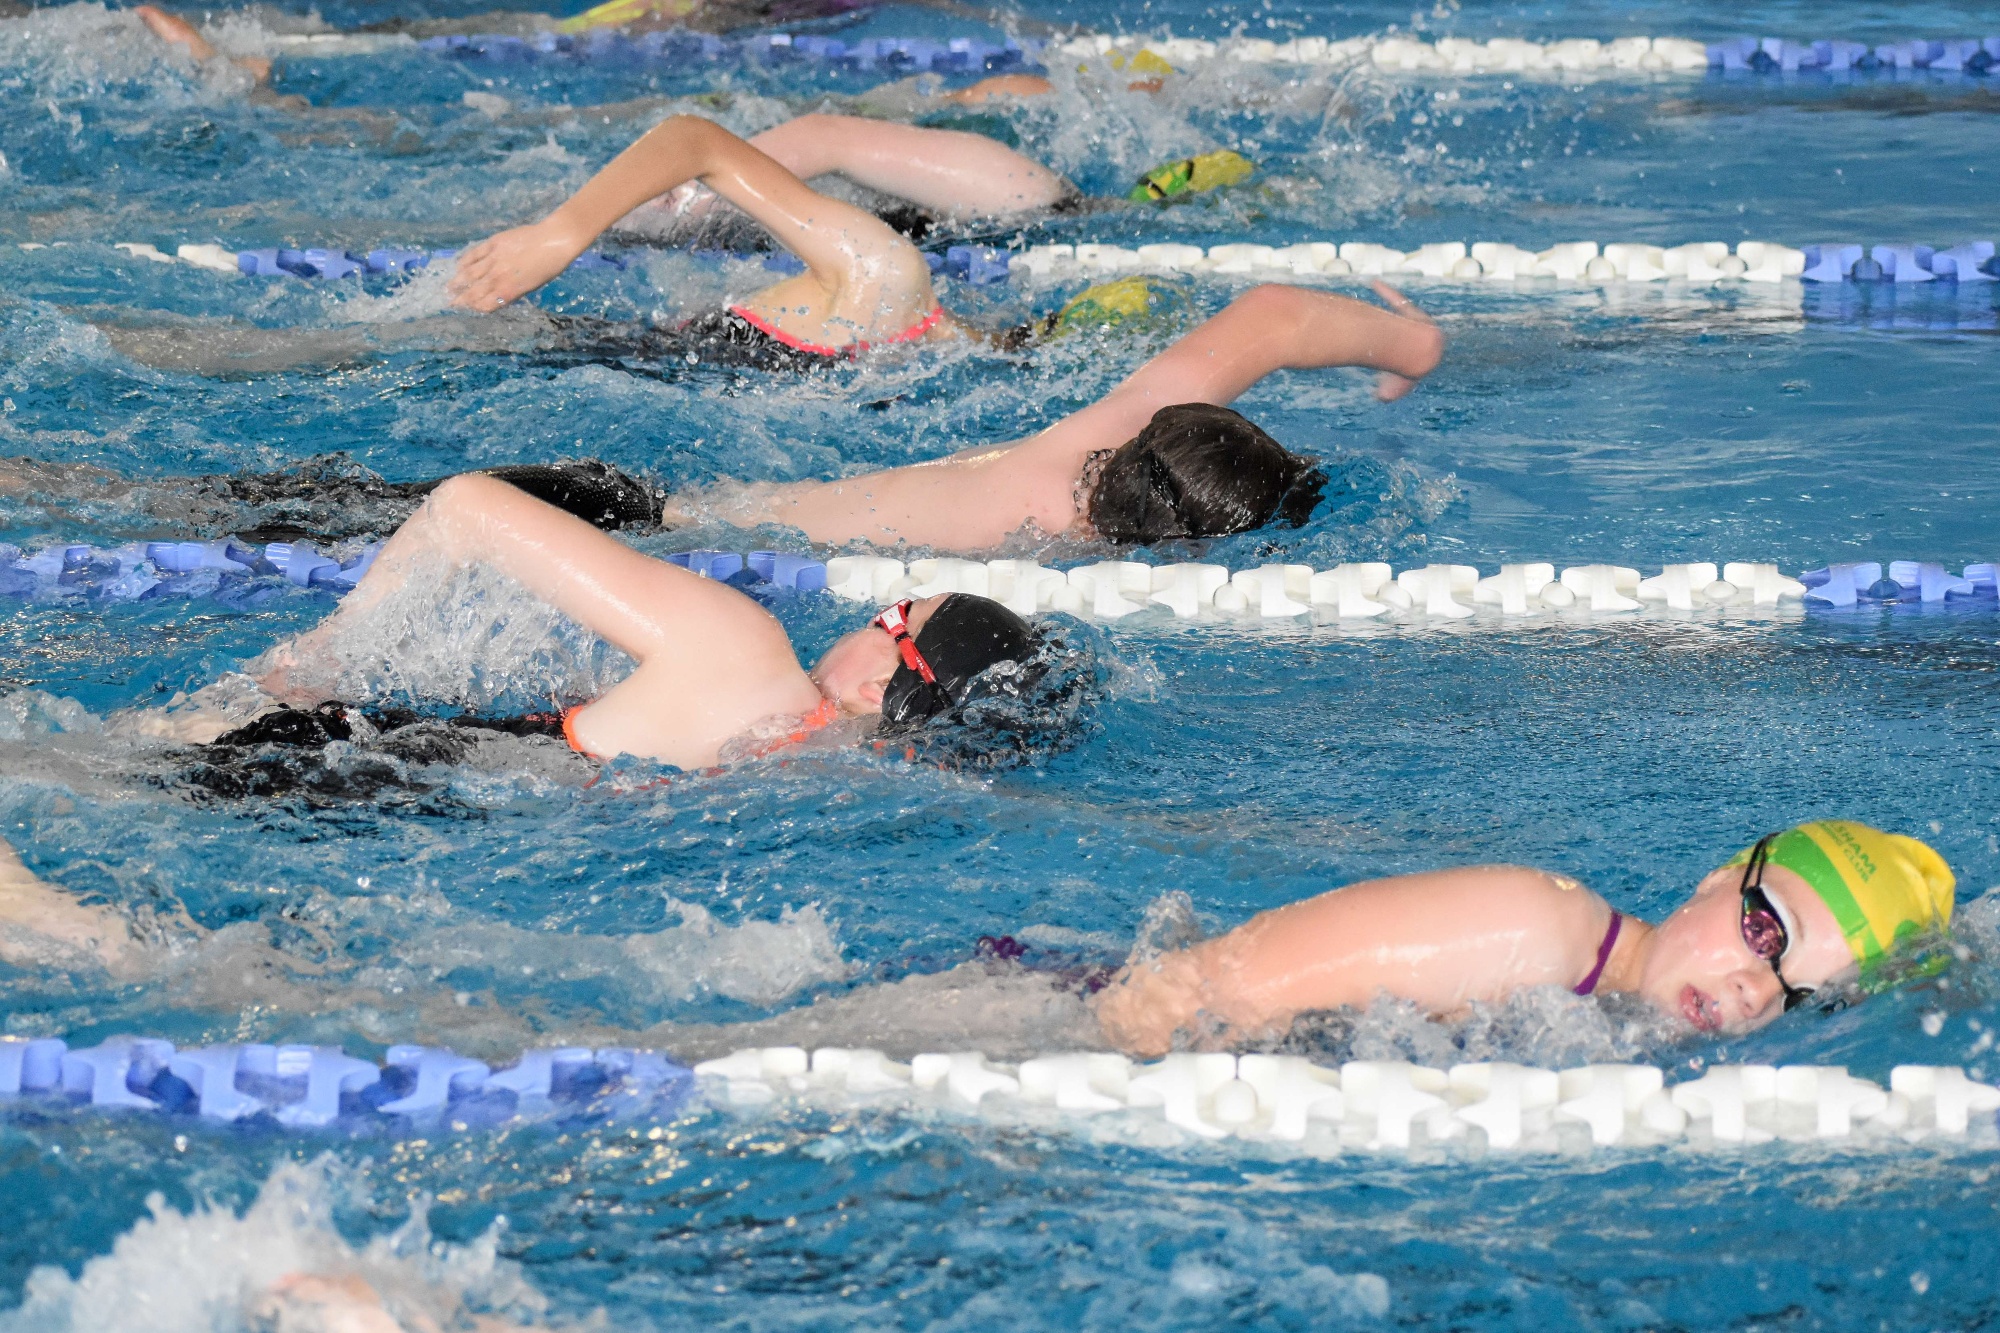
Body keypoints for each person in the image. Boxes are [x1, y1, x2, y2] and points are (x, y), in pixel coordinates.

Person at [44, 282, 1442, 551]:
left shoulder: (1103, 425)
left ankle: (57, 482)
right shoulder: (1045, 541)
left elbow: (1270, 317)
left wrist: (1406, 341)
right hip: (622, 529)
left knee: (271, 506)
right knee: (280, 518)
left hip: (627, 493)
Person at [143, 473, 1066, 769]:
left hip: (338, 761)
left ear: (879, 681)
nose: (871, 612)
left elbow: (468, 506)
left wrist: (323, 654)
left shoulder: (747, 650)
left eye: (893, 612)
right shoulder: (818, 773)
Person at [1091, 820, 1957, 1054]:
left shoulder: (1626, 1037)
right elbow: (1177, 999)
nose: (1756, 990)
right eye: (1767, 931)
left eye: (1801, 995)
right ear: (1715, 879)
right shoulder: (1532, 925)